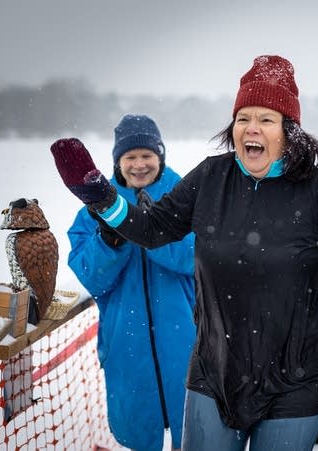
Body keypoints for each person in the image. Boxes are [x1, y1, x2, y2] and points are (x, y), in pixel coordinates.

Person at [50, 55, 318, 451]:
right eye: (243, 118)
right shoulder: (210, 177)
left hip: (298, 378)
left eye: (266, 119)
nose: (251, 128)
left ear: (289, 132)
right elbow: (151, 230)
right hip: (215, 372)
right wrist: (102, 198)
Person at [66, 114, 197, 451]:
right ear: (117, 162)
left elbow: (195, 257)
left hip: (187, 340)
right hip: (126, 344)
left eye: (147, 155)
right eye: (130, 157)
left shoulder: (186, 197)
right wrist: (112, 237)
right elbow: (90, 275)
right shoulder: (91, 211)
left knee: (196, 432)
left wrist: (150, 227)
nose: (139, 165)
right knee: (138, 434)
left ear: (160, 156)